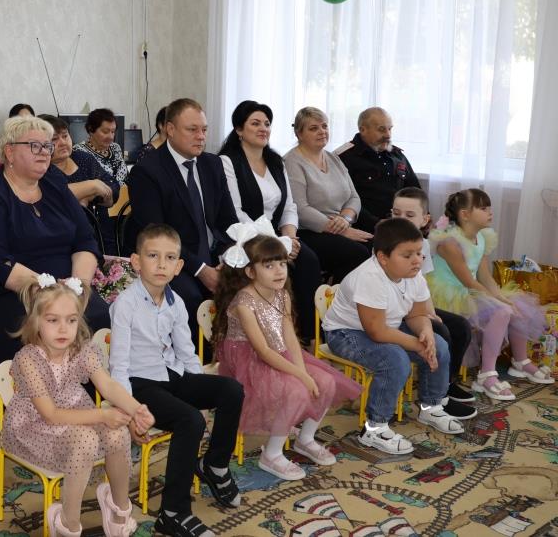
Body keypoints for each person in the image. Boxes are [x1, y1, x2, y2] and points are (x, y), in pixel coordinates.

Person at [0, 115, 106, 448]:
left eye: (47, 146)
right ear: (9, 152)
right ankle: (33, 432)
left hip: (65, 287)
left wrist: (79, 286)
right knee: (44, 325)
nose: (44, 152)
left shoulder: (54, 185)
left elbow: (85, 240)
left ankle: (87, 415)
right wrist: (52, 293)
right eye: (35, 146)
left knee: (98, 314)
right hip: (7, 292)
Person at [109, 224, 243, 536]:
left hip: (172, 376)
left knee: (231, 390)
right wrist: (131, 411)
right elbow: (119, 366)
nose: (161, 264)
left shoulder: (176, 302)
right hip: (140, 384)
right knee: (190, 420)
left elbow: (186, 353)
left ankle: (214, 465)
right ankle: (173, 512)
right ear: (136, 261)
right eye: (152, 256)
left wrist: (200, 391)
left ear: (179, 266)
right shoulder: (125, 304)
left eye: (169, 258)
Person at [2, 276, 151, 537]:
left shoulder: (82, 350)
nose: (63, 329)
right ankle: (68, 522)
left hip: (77, 416)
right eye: (53, 320)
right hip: (37, 428)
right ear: (36, 322)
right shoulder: (28, 360)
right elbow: (51, 415)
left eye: (71, 320)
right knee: (86, 439)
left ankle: (119, 508)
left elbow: (108, 386)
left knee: (118, 432)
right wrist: (103, 415)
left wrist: (137, 410)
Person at [212, 221, 361, 480]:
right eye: (269, 266)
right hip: (250, 360)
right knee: (296, 389)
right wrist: (301, 376)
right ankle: (271, 454)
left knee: (326, 381)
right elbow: (262, 351)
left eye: (281, 263)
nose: (279, 271)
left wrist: (302, 369)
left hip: (280, 352)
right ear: (250, 272)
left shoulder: (282, 295)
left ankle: (306, 439)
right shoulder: (244, 303)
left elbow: (290, 337)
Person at [321, 218, 464, 455]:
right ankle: (374, 428)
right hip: (345, 333)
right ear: (383, 258)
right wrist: (417, 344)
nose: (417, 260)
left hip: (385, 326)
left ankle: (431, 407)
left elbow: (417, 314)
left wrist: (426, 333)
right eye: (407, 255)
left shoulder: (413, 274)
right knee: (394, 360)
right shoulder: (370, 277)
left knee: (438, 345)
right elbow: (377, 332)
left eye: (418, 253)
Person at [426, 188, 551, 400]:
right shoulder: (450, 243)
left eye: (489, 208)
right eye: (483, 208)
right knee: (501, 311)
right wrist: (498, 303)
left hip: (471, 290)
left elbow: (485, 277)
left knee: (516, 303)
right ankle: (486, 375)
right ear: (465, 214)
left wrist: (502, 298)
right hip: (448, 297)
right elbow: (469, 281)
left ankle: (520, 362)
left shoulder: (481, 237)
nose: (490, 212)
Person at [124, 98, 239, 329]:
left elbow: (228, 221)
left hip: (214, 253)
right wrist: (201, 270)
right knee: (191, 298)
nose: (201, 136)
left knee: (256, 280)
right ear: (170, 129)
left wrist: (229, 258)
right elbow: (157, 234)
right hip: (170, 258)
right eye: (192, 129)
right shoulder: (147, 171)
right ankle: (196, 353)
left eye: (204, 129)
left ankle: (235, 350)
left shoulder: (212, 164)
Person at [218, 100, 322, 341]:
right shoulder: (227, 161)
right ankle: (269, 337)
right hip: (245, 236)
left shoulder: (276, 161)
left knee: (308, 261)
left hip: (278, 236)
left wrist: (290, 238)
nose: (263, 128)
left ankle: (305, 337)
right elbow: (235, 211)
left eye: (266, 124)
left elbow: (289, 206)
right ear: (239, 129)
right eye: (255, 123)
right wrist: (276, 242)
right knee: (272, 266)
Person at [390, 187, 477, 419]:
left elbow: (422, 285)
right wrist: (423, 316)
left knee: (460, 327)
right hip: (392, 314)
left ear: (424, 220)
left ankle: (446, 384)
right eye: (396, 213)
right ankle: (435, 397)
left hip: (413, 307)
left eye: (409, 215)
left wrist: (429, 311)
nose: (401, 220)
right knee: (440, 332)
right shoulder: (385, 246)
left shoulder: (424, 245)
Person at [284, 107, 371, 281]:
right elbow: (300, 208)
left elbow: (354, 197)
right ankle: (335, 296)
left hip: (341, 225)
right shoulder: (291, 162)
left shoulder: (334, 158)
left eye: (324, 126)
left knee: (377, 245)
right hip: (309, 230)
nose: (322, 131)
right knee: (359, 252)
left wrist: (345, 220)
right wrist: (341, 231)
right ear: (299, 134)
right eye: (313, 128)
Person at [335, 107, 420, 233]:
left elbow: (415, 191)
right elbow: (342, 200)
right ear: (363, 130)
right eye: (381, 129)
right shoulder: (343, 157)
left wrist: (424, 217)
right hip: (364, 228)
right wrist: (375, 223)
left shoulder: (397, 155)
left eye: (390, 129)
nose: (388, 135)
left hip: (400, 225)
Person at [41, 114, 117, 254]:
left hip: (101, 238)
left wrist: (87, 196)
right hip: (64, 247)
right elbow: (51, 196)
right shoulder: (40, 169)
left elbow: (113, 187)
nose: (63, 142)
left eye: (65, 136)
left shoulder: (82, 158)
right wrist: (92, 187)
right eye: (54, 139)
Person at [73, 107, 129, 185]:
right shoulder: (79, 151)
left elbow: (124, 176)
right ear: (91, 129)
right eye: (105, 132)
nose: (111, 137)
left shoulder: (115, 147)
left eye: (113, 132)